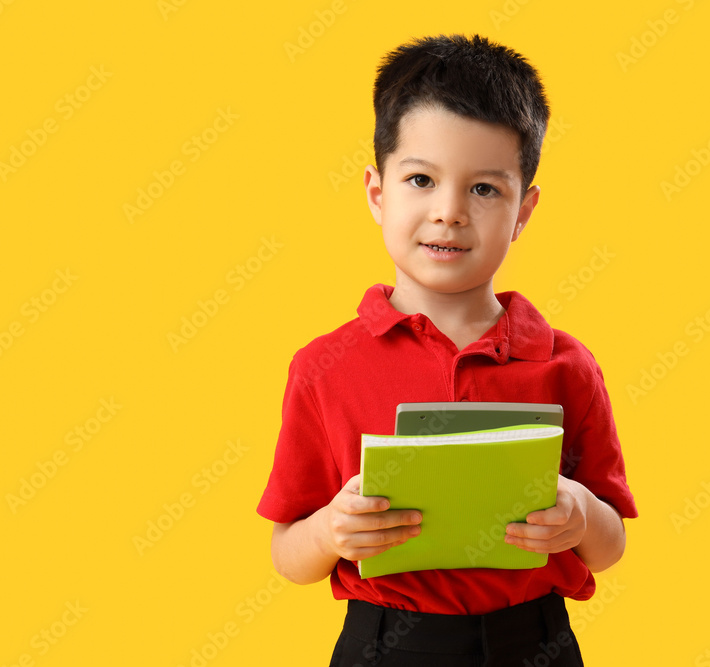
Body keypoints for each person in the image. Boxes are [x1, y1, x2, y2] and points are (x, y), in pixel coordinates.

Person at [257, 33, 637, 666]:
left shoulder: (566, 366)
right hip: (385, 642)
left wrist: (580, 515)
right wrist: (331, 530)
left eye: (485, 190)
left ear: (524, 211)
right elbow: (287, 555)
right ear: (378, 193)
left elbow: (611, 544)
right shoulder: (324, 367)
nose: (449, 212)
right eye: (421, 180)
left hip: (532, 640)